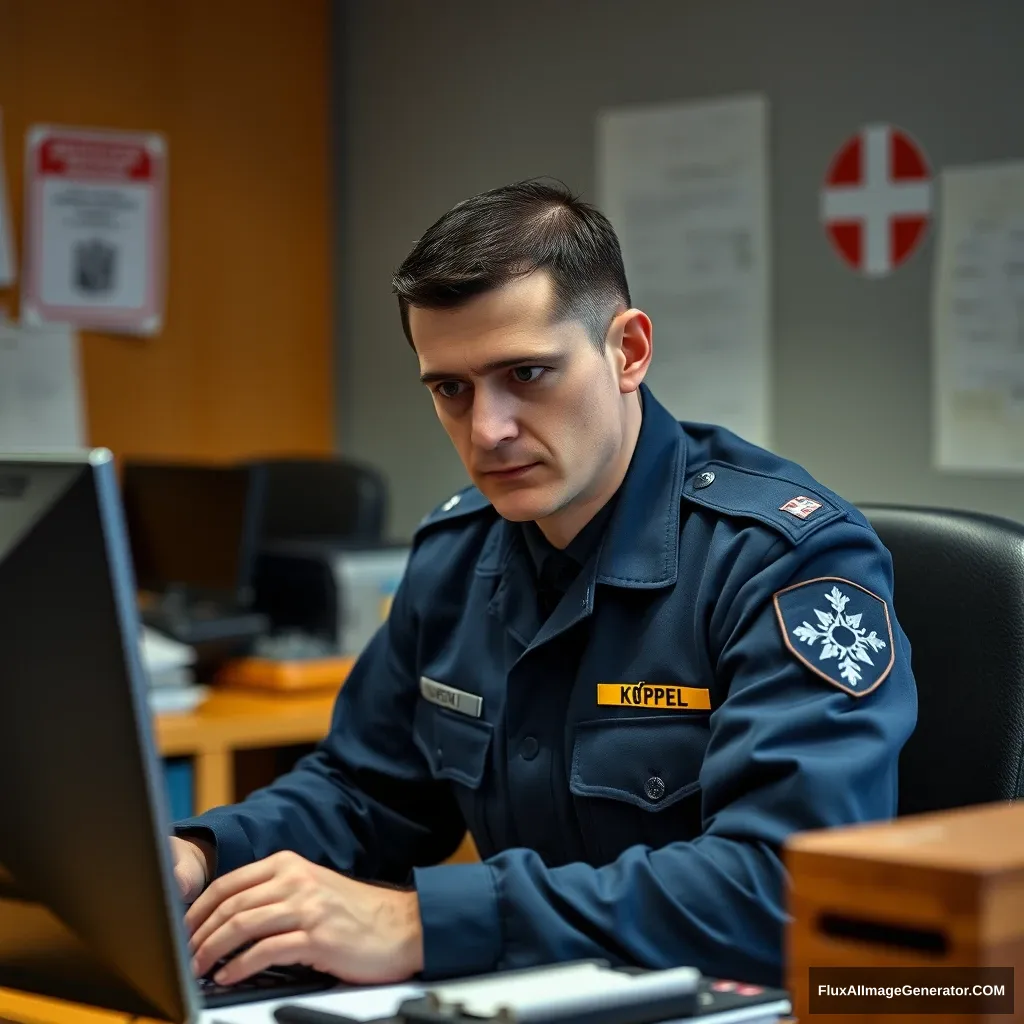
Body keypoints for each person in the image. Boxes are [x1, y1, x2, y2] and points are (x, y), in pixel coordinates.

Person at [173, 180, 917, 990]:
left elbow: (784, 889)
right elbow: (364, 790)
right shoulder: (456, 551)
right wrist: (204, 854)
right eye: (450, 389)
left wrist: (425, 923)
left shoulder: (782, 559)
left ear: (628, 352)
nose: (487, 430)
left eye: (526, 373)